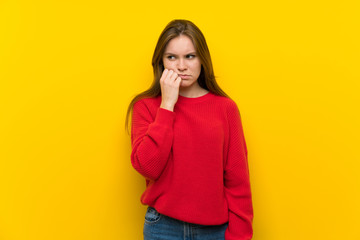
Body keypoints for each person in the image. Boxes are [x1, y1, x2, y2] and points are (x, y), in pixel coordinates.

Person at [125, 19, 253, 240]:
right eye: (171, 57)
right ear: (161, 62)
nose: (181, 66)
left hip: (215, 230)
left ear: (202, 59)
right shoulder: (146, 106)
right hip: (163, 227)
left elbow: (237, 179)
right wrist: (167, 105)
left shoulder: (225, 108)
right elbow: (148, 167)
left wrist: (240, 235)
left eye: (190, 56)